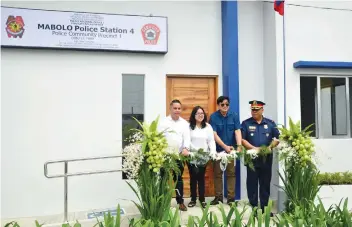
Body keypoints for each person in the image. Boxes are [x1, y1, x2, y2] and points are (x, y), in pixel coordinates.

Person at [241, 100, 280, 214]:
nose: (254, 112)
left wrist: (270, 147)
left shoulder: (270, 123)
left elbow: (276, 139)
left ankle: (264, 209)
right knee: (252, 184)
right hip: (252, 159)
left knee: (265, 184)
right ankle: (254, 209)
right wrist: (254, 149)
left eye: (256, 110)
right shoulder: (245, 123)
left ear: (262, 110)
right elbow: (243, 140)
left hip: (266, 159)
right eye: (252, 109)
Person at [209, 96, 242, 205]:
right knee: (217, 174)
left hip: (231, 150)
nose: (225, 106)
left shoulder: (234, 116)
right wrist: (224, 147)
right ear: (218, 105)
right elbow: (214, 135)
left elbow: (237, 131)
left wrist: (239, 145)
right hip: (218, 151)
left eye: (227, 104)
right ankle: (218, 197)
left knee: (231, 174)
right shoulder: (213, 117)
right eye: (222, 104)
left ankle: (231, 199)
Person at [158, 99, 190, 211]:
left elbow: (187, 139)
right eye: (175, 108)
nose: (177, 110)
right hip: (165, 157)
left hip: (178, 156)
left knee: (179, 179)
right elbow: (158, 138)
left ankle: (180, 202)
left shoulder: (185, 124)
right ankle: (162, 202)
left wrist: (186, 148)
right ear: (170, 108)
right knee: (163, 179)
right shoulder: (163, 122)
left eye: (179, 108)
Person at [187, 106, 216, 208]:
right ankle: (193, 199)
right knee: (193, 178)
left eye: (202, 113)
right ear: (194, 115)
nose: (200, 115)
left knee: (201, 178)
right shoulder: (189, 127)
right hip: (192, 156)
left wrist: (212, 151)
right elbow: (187, 141)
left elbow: (211, 141)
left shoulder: (208, 127)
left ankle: (202, 200)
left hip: (204, 157)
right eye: (198, 113)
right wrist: (195, 151)